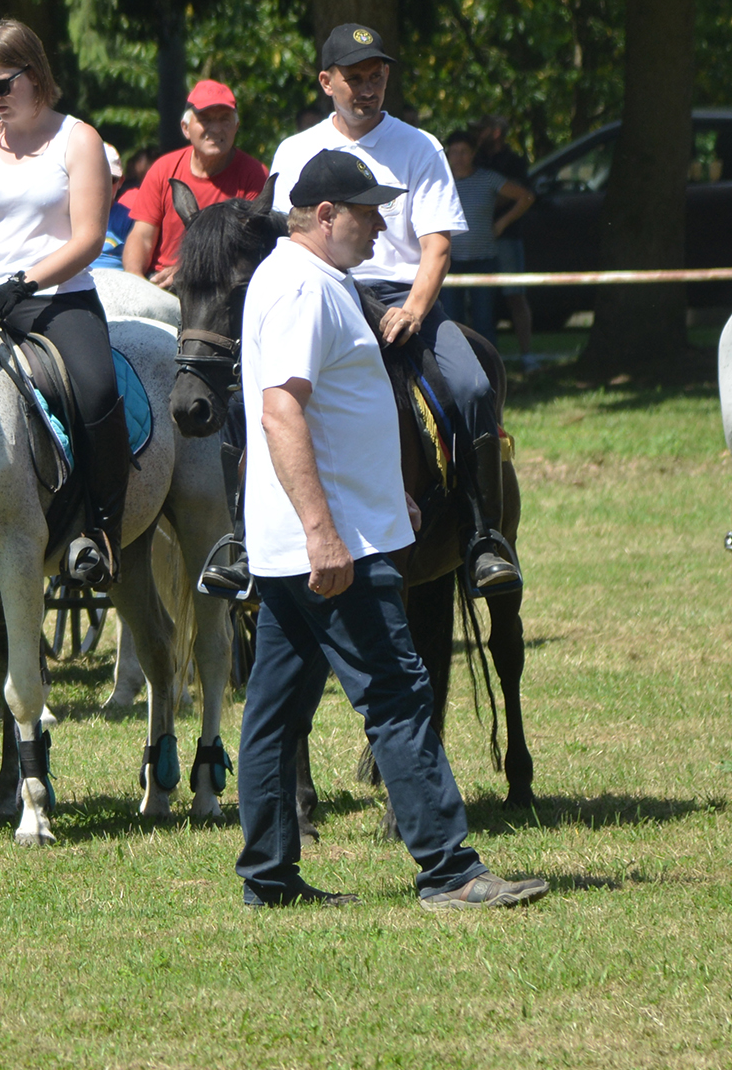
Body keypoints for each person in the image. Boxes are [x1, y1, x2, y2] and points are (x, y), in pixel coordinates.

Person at [233, 147, 547, 911]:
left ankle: (270, 878)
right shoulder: (304, 289)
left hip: (316, 538)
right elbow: (282, 410)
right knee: (401, 695)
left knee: (275, 711)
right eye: (370, 213)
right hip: (333, 548)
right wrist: (325, 530)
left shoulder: (313, 280)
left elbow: (339, 414)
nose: (384, 227)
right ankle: (448, 869)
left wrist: (384, 495)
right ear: (328, 215)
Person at [268, 24, 520, 597]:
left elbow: (437, 245)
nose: (367, 88)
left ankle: (483, 538)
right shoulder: (294, 151)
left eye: (376, 76)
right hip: (323, 294)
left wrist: (413, 308)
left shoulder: (419, 145)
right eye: (354, 78)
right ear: (325, 81)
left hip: (403, 298)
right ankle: (239, 536)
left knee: (474, 387)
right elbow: (279, 240)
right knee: (249, 392)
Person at [0, 18, 124, 586]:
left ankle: (102, 530)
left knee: (96, 390)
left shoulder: (79, 138)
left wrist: (24, 282)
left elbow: (88, 238)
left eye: (1, 86)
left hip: (58, 299)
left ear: (35, 75)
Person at [123, 79, 269, 287]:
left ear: (236, 126)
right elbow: (142, 236)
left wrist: (190, 271)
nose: (216, 128)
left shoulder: (254, 175)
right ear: (186, 128)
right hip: (159, 284)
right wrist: (135, 281)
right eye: (206, 119)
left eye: (224, 119)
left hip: (220, 287)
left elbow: (249, 250)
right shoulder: (163, 169)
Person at [439, 130, 532, 347]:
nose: (459, 157)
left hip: (484, 259)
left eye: (464, 152)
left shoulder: (488, 178)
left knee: (484, 321)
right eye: (454, 152)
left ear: (473, 154)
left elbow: (525, 197)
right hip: (450, 261)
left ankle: (489, 369)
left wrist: (503, 223)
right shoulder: (440, 182)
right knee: (451, 320)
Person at [472, 115, 536, 361]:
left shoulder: (515, 163)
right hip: (476, 240)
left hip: (507, 238)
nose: (477, 134)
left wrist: (501, 222)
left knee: (515, 295)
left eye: (482, 129)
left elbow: (523, 195)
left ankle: (527, 356)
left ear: (496, 132)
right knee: (478, 299)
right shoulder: (474, 160)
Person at [91, 144, 134, 270]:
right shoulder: (62, 216)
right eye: (95, 177)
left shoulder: (130, 220)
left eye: (111, 179)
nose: (102, 185)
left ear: (120, 182)